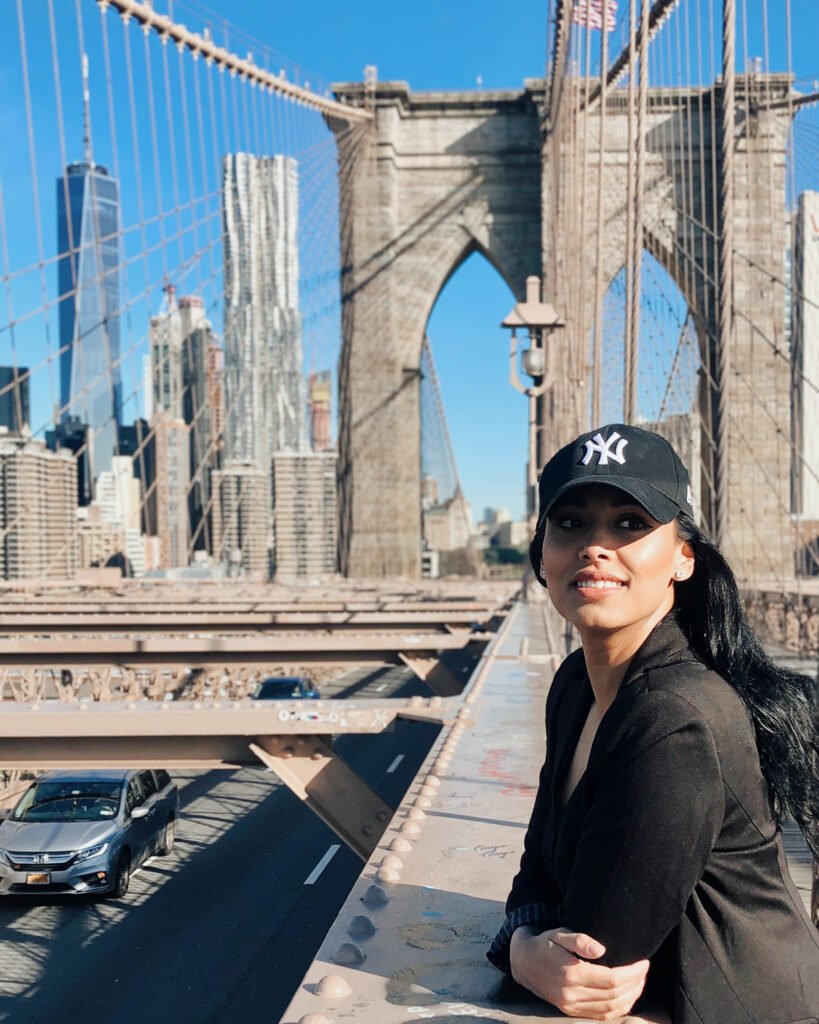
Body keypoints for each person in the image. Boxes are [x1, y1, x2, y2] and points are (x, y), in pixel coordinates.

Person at [487, 423, 819, 1024]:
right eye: (570, 523)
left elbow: (596, 953)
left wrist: (517, 949)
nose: (595, 545)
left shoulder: (674, 719)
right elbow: (536, 867)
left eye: (630, 523)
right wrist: (524, 945)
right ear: (542, 553)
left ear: (682, 559)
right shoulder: (573, 686)